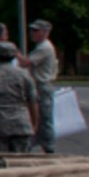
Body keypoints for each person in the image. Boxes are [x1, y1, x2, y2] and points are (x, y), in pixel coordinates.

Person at [0, 40, 39, 153]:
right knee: (21, 162)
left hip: (0, 123)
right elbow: (33, 101)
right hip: (21, 122)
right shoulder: (24, 74)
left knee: (0, 161)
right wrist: (34, 123)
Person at [28, 19, 60, 153]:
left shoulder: (44, 47)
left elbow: (25, 62)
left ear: (45, 32)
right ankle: (35, 142)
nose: (32, 33)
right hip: (38, 85)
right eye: (31, 30)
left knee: (45, 117)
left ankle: (49, 148)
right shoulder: (40, 46)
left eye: (36, 30)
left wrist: (12, 52)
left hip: (42, 85)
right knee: (37, 116)